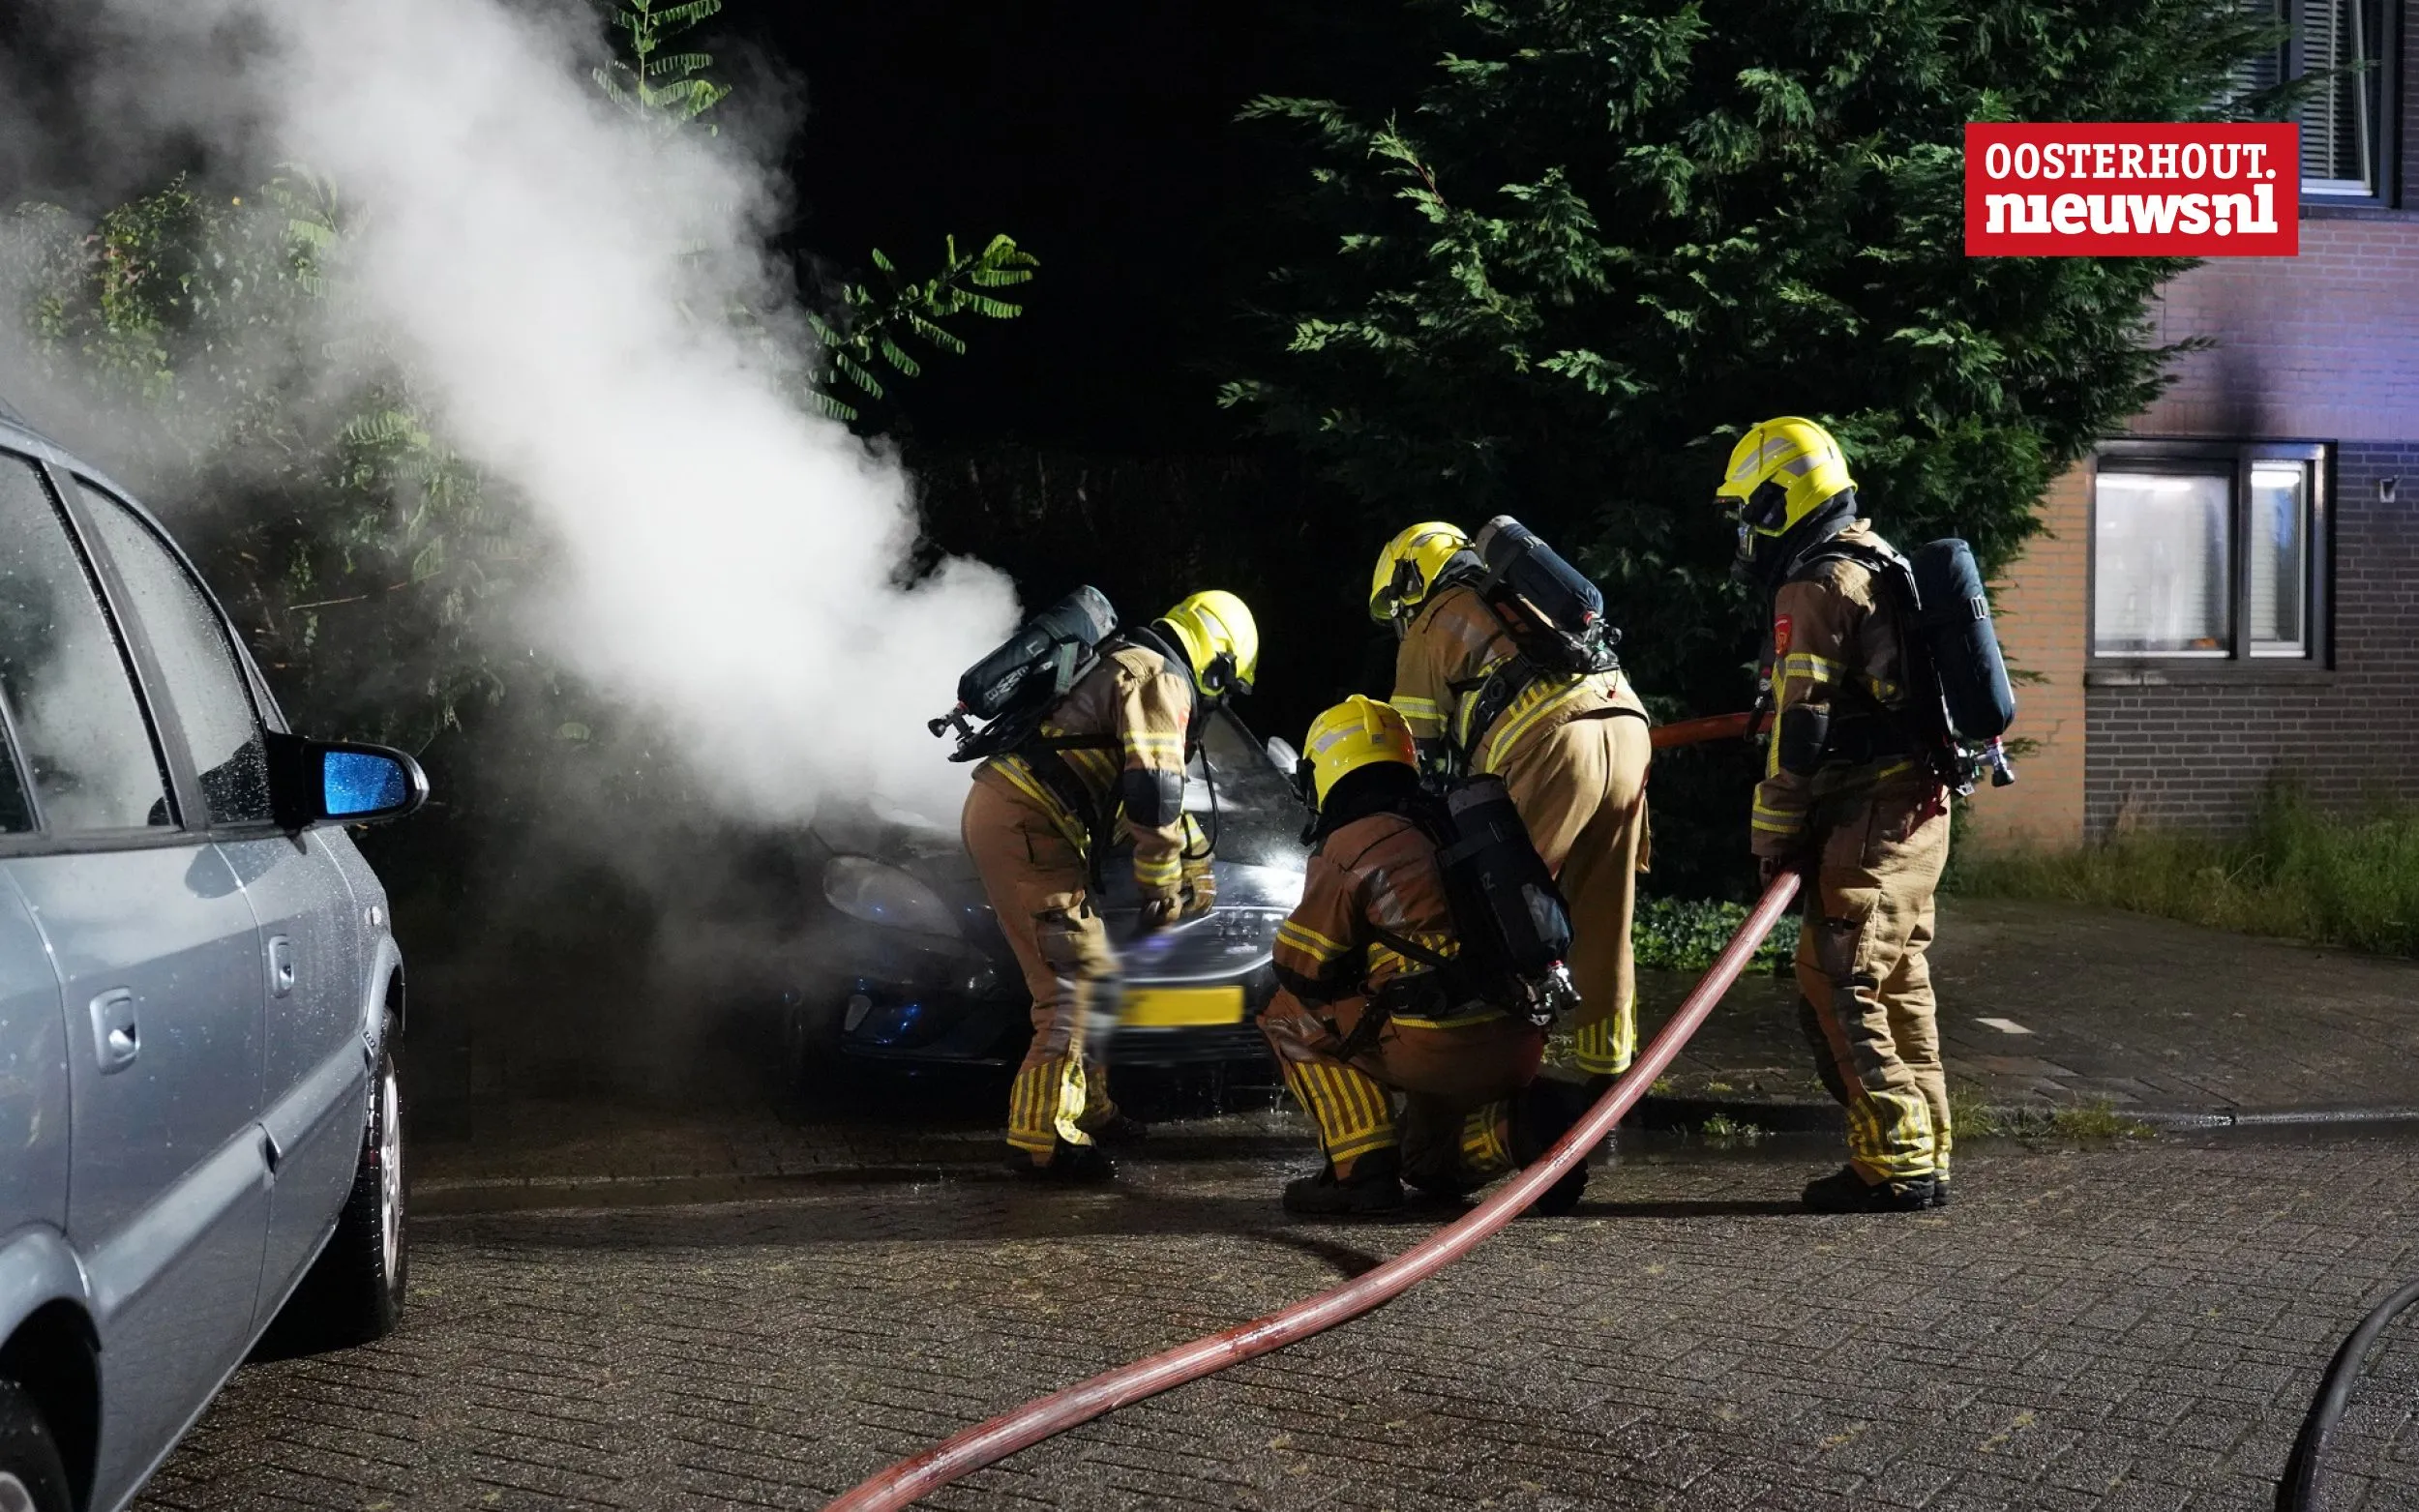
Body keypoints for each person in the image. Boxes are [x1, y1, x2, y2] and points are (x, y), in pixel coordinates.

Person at [1716, 416, 1951, 1213]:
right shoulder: (1876, 558)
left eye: (1748, 509)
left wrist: (1772, 830)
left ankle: (1895, 1161)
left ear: (1782, 502)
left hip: (1868, 816)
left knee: (1841, 980)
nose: (1744, 531)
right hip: (1918, 811)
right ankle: (1925, 1146)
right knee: (1899, 979)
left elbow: (1802, 725)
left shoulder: (1814, 583)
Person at [962, 589, 1258, 1180]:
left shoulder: (1125, 665)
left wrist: (1191, 856)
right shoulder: (1159, 680)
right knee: (1071, 983)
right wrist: (1163, 890)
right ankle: (1041, 1136)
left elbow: (1129, 800)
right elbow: (1153, 795)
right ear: (1218, 659)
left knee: (1092, 969)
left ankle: (1090, 1108)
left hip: (1021, 814)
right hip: (1028, 821)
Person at [1259, 696, 1579, 1215]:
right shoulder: (1457, 822)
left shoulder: (1353, 842)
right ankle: (1516, 1130)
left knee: (1281, 1013)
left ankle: (1358, 1172)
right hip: (1518, 1034)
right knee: (1424, 1162)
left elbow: (1302, 967)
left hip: (1433, 1046)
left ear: (1325, 769)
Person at [1371, 523, 1651, 1086]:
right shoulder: (1525, 598)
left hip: (1550, 749)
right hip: (1628, 728)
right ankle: (1609, 1080)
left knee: (1505, 916)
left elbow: (1413, 758)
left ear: (1410, 579)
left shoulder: (1433, 620)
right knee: (1604, 910)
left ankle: (1498, 1076)